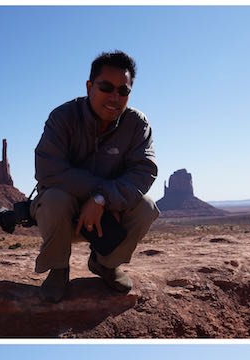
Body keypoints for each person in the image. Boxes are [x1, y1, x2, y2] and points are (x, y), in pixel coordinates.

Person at [32, 50, 159, 303]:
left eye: (123, 91)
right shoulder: (63, 117)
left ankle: (105, 264)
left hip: (109, 209)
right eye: (106, 87)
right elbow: (48, 170)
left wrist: (102, 199)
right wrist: (99, 193)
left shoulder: (137, 124)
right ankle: (59, 268)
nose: (115, 97)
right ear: (90, 86)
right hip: (65, 212)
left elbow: (144, 170)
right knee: (55, 198)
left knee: (147, 206)